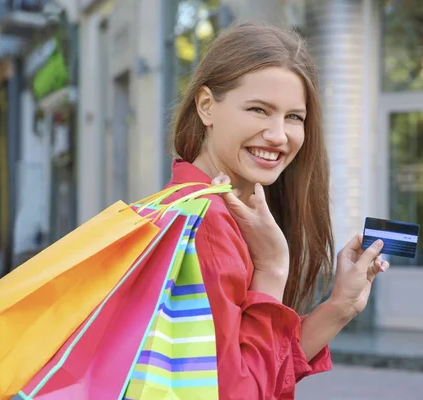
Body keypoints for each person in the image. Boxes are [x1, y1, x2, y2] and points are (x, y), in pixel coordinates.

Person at [163, 22, 389, 399]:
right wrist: (272, 268)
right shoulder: (207, 223)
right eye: (258, 110)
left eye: (293, 117)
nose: (279, 135)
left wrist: (340, 306)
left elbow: (260, 366)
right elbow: (240, 392)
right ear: (206, 106)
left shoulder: (208, 207)